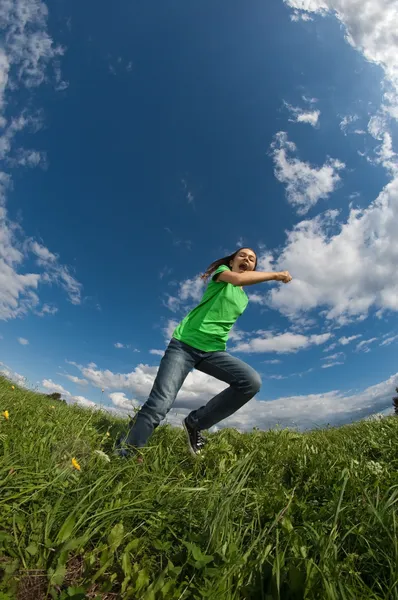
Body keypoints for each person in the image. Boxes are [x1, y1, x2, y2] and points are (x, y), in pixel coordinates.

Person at [117, 248, 292, 458]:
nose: (247, 259)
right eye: (242, 255)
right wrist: (276, 275)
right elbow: (236, 278)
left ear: (254, 267)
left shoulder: (244, 299)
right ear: (233, 260)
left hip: (213, 351)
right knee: (160, 404)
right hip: (184, 345)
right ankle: (126, 453)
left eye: (252, 259)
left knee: (251, 382)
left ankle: (195, 423)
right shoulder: (223, 273)